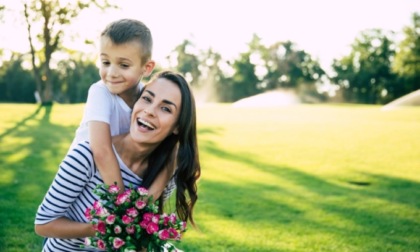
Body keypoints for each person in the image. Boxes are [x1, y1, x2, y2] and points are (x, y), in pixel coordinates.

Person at [35, 70, 201, 251]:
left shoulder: (163, 174)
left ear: (177, 126)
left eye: (166, 108)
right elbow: (44, 225)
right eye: (147, 99)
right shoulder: (86, 156)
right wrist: (106, 228)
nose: (149, 111)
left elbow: (139, 237)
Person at [70, 18, 174, 200]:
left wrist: (144, 203)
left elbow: (171, 151)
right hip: (82, 178)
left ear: (147, 67)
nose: (111, 73)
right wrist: (123, 203)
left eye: (124, 65)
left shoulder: (147, 98)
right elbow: (101, 150)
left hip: (116, 177)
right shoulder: (100, 91)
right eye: (105, 62)